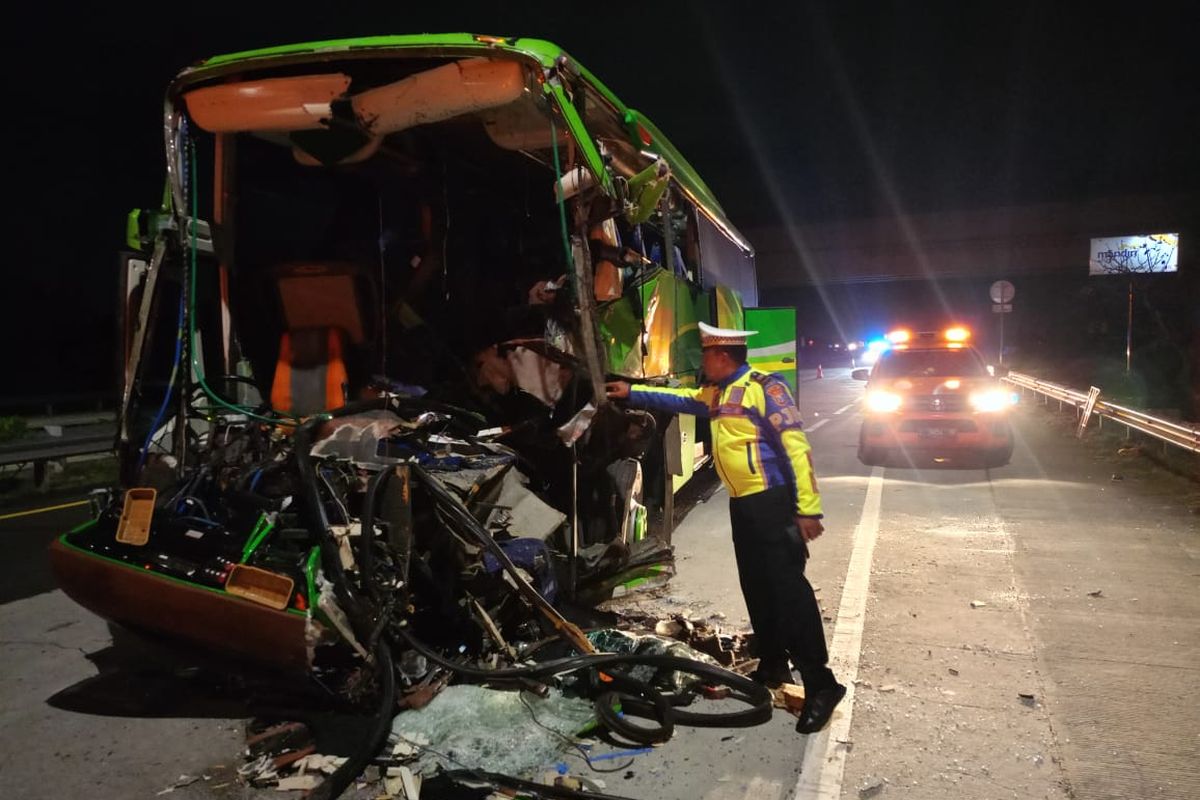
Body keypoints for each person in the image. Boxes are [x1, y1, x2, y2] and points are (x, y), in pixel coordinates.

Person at [605, 321, 846, 735]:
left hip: (773, 502)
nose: (702, 363)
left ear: (722, 357)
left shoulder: (765, 389)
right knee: (756, 585)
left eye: (706, 356)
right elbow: (678, 398)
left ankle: (822, 685)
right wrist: (632, 392)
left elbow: (797, 446)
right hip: (743, 506)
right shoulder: (717, 393)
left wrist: (808, 509)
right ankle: (772, 665)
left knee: (789, 592)